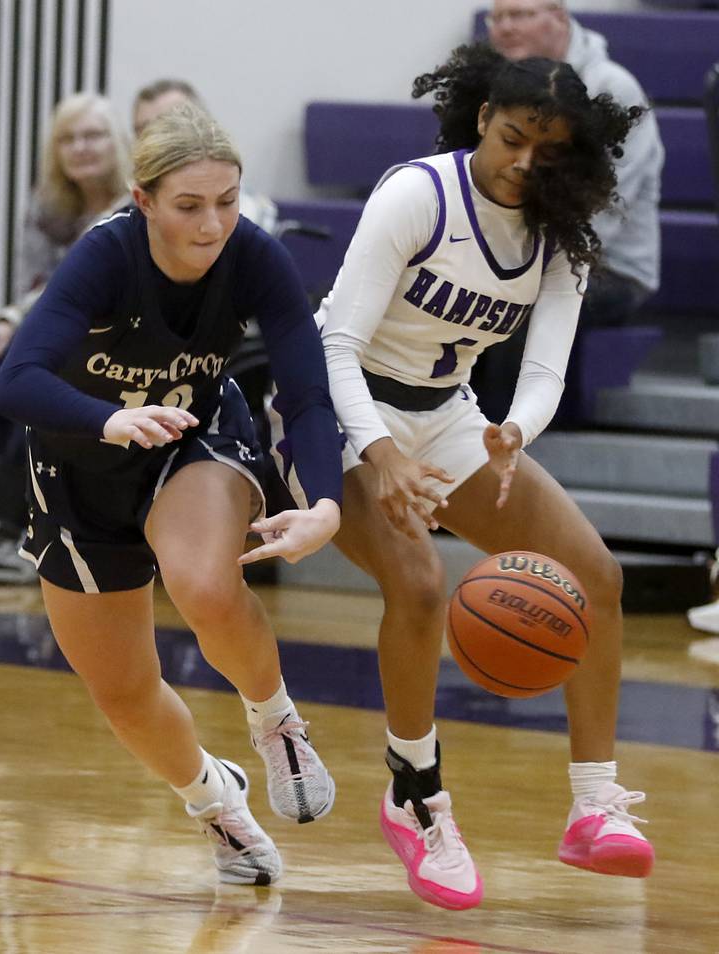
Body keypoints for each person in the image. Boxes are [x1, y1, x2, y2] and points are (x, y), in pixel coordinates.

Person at [271, 43, 654, 909]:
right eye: (514, 137)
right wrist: (379, 453)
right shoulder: (419, 193)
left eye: (548, 149)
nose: (526, 162)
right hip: (331, 406)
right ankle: (415, 798)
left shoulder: (563, 228)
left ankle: (595, 807)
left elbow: (547, 367)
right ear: (483, 118)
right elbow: (333, 343)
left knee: (595, 575)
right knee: (418, 585)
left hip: (445, 410)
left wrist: (516, 429)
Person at [0, 102, 342, 885]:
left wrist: (323, 500)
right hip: (80, 463)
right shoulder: (104, 258)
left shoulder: (254, 255)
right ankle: (217, 802)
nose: (213, 223)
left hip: (193, 437)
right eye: (190, 205)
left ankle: (276, 722)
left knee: (202, 581)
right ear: (143, 201)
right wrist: (109, 422)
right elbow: (17, 382)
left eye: (227, 200)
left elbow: (308, 394)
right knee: (122, 692)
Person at [0, 92, 132, 582]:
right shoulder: (48, 205)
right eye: (68, 139)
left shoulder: (132, 207)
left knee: (38, 383)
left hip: (103, 349)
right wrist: (8, 324)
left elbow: (77, 288)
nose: (80, 147)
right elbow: (32, 284)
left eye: (93, 135)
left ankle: (17, 526)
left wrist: (10, 323)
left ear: (119, 142)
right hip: (43, 335)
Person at [470, 0, 664, 425]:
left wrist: (515, 265)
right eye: (497, 18)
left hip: (608, 266)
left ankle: (501, 454)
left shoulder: (611, 88)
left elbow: (606, 208)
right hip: (517, 253)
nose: (505, 28)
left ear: (559, 17)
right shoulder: (496, 90)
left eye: (519, 15)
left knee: (513, 307)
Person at [132, 79, 278, 234]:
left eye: (170, 126)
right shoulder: (124, 213)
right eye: (144, 130)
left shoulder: (249, 210)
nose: (156, 138)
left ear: (202, 126)